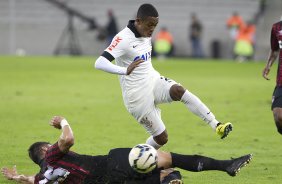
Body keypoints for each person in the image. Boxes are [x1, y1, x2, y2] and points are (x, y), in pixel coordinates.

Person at [94, 3, 233, 150]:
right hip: (137, 98)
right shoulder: (122, 39)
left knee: (178, 90)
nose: (152, 29)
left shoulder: (145, 33)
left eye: (155, 25)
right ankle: (136, 160)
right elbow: (99, 62)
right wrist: (124, 70)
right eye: (149, 25)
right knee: (162, 138)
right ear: (138, 21)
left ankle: (216, 125)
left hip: (153, 81)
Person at [1, 116, 252, 184]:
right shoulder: (54, 154)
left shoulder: (41, 177)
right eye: (48, 145)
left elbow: (33, 180)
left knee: (165, 174)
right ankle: (225, 166)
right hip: (111, 162)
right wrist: (63, 122)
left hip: (106, 180)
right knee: (166, 159)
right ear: (45, 151)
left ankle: (170, 180)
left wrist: (16, 177)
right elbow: (68, 139)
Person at [262, 20, 282, 134]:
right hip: (281, 81)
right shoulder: (277, 27)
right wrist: (268, 65)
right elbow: (274, 49)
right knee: (278, 116)